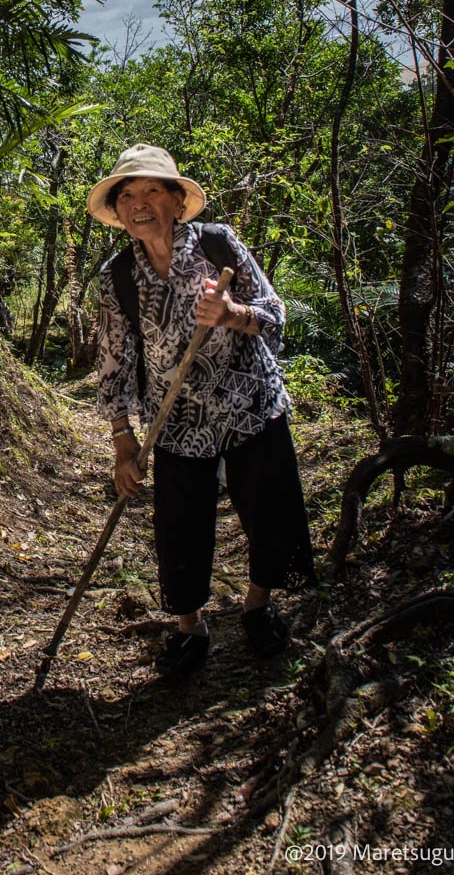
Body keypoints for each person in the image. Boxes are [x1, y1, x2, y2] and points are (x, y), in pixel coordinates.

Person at [88, 143, 315, 676]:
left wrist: (234, 313)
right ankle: (191, 627)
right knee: (180, 526)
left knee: (268, 510)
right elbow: (113, 365)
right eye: (127, 195)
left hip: (249, 404)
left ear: (175, 200)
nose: (138, 203)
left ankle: (257, 606)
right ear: (118, 212)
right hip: (175, 419)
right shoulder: (116, 277)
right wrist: (123, 444)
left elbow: (275, 314)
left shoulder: (218, 245)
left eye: (151, 191)